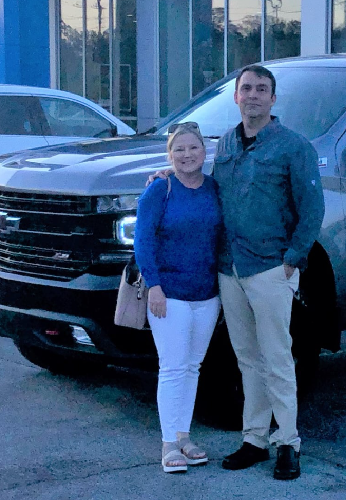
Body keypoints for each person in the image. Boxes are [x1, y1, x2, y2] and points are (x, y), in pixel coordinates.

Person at [215, 65, 324, 480]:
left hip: (270, 268)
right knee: (247, 359)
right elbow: (212, 190)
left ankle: (288, 442)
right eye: (247, 88)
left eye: (262, 89)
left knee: (278, 357)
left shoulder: (294, 147)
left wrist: (293, 258)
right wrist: (169, 175)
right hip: (230, 268)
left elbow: (312, 208)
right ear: (236, 97)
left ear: (273, 99)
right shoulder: (225, 143)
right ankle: (254, 439)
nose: (253, 95)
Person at [134, 122, 223, 474]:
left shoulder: (214, 188)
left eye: (193, 147)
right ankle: (169, 444)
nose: (187, 155)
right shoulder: (160, 189)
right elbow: (143, 240)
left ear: (204, 151)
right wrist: (154, 285)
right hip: (169, 294)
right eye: (179, 149)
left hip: (207, 293)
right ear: (169, 155)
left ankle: (184, 437)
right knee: (172, 368)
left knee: (192, 367)